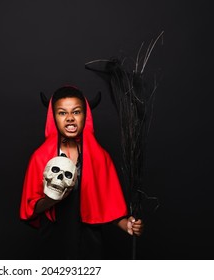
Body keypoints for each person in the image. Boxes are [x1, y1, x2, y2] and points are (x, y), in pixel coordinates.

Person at [19, 85, 143, 259]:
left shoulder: (99, 156)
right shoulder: (40, 157)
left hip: (88, 241)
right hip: (54, 239)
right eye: (62, 113)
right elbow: (32, 206)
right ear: (53, 117)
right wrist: (52, 198)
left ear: (86, 116)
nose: (70, 118)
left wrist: (127, 225)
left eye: (76, 112)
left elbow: (108, 204)